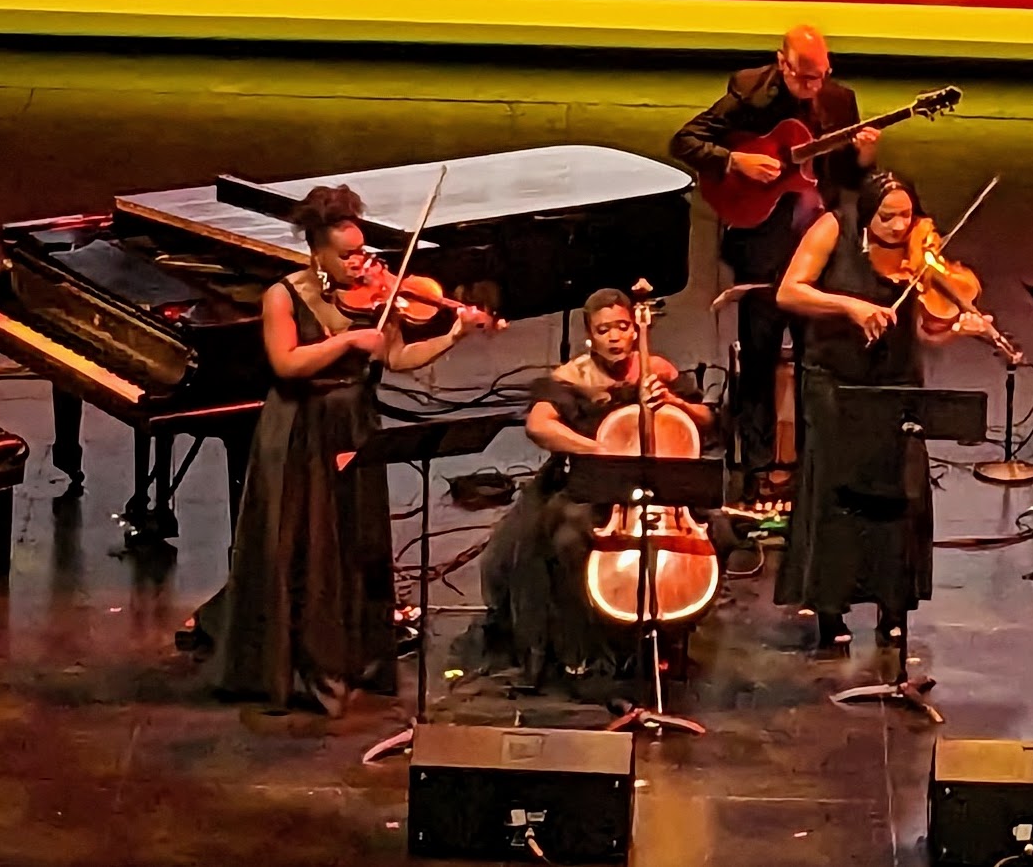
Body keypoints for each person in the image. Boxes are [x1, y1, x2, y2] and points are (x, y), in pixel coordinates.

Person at [197, 184, 490, 714]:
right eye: (348, 255)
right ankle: (297, 669)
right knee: (303, 543)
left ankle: (352, 659)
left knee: (353, 541)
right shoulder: (283, 295)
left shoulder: (377, 299)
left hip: (355, 422)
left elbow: (397, 358)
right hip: (298, 426)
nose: (364, 263)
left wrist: (455, 335)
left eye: (364, 251)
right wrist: (348, 341)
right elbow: (286, 365)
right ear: (318, 253)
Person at [773, 168, 998, 650]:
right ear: (868, 211)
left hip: (896, 383)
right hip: (835, 382)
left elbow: (923, 332)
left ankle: (893, 608)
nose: (899, 227)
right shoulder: (834, 226)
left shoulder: (919, 256)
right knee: (836, 499)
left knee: (902, 495)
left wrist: (961, 328)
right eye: (888, 217)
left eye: (907, 215)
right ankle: (831, 611)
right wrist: (849, 307)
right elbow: (789, 291)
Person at [668, 25, 880, 501]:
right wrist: (734, 161)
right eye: (806, 77)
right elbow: (685, 141)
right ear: (782, 64)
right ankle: (759, 464)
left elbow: (843, 178)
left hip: (813, 243)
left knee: (814, 358)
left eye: (821, 75)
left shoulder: (840, 102)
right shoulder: (747, 90)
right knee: (759, 357)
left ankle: (813, 460)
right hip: (761, 242)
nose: (814, 86)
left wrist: (862, 158)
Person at [482, 288, 719, 696]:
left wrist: (675, 401)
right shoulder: (573, 377)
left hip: (655, 493)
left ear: (634, 331)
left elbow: (707, 420)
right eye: (603, 329)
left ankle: (665, 641)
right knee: (569, 538)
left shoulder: (656, 369)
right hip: (591, 489)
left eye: (622, 327)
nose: (614, 337)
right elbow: (539, 426)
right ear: (590, 335)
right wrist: (598, 449)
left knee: (721, 535)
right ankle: (587, 650)